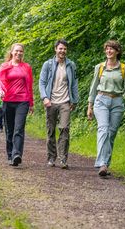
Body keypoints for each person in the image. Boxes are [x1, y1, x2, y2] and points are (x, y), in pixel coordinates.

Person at [87, 40, 125, 176]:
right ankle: (102, 163)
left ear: (117, 51)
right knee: (103, 129)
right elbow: (93, 87)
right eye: (107, 49)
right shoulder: (100, 67)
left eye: (111, 49)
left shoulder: (124, 68)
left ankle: (105, 164)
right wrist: (89, 106)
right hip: (101, 100)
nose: (108, 51)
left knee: (111, 133)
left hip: (117, 102)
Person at [39, 39, 79, 169]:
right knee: (51, 131)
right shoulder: (48, 64)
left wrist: (74, 100)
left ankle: (63, 159)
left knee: (64, 129)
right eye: (60, 48)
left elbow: (74, 84)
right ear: (55, 49)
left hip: (65, 102)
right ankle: (51, 158)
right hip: (51, 102)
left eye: (64, 49)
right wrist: (44, 97)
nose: (62, 51)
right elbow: (42, 82)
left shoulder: (71, 65)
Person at [0, 43, 34, 167]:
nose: (18, 53)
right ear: (12, 52)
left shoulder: (26, 67)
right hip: (8, 100)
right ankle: (10, 153)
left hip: (22, 101)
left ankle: (16, 154)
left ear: (23, 53)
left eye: (21, 51)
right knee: (10, 129)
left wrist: (31, 102)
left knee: (19, 129)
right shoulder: (5, 66)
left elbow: (29, 85)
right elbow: (0, 82)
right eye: (16, 51)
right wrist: (0, 90)